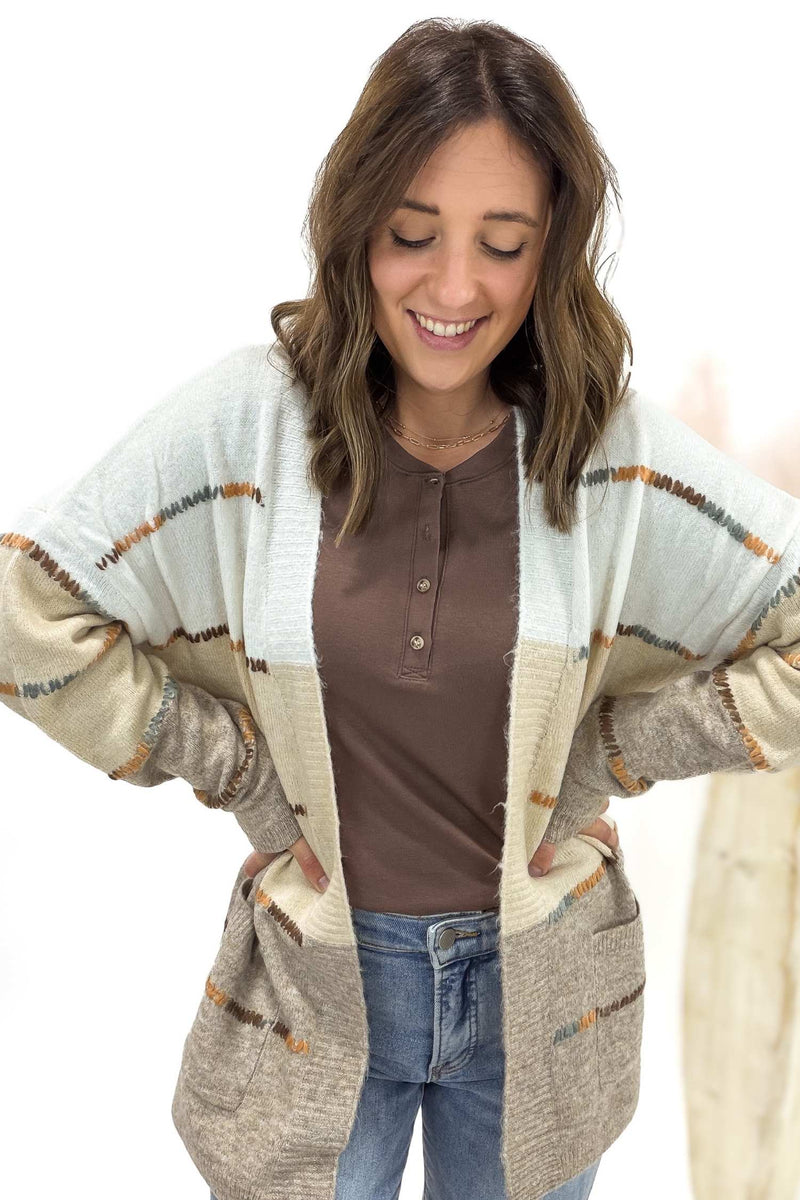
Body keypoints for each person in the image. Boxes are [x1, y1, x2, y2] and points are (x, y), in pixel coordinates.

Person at [5, 17, 800, 1200]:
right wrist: (238, 772)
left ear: (552, 251)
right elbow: (31, 610)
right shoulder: (248, 427)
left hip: (543, 995)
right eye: (412, 234)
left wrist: (608, 756)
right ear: (355, 226)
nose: (453, 287)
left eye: (503, 242)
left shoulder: (605, 457)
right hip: (315, 999)